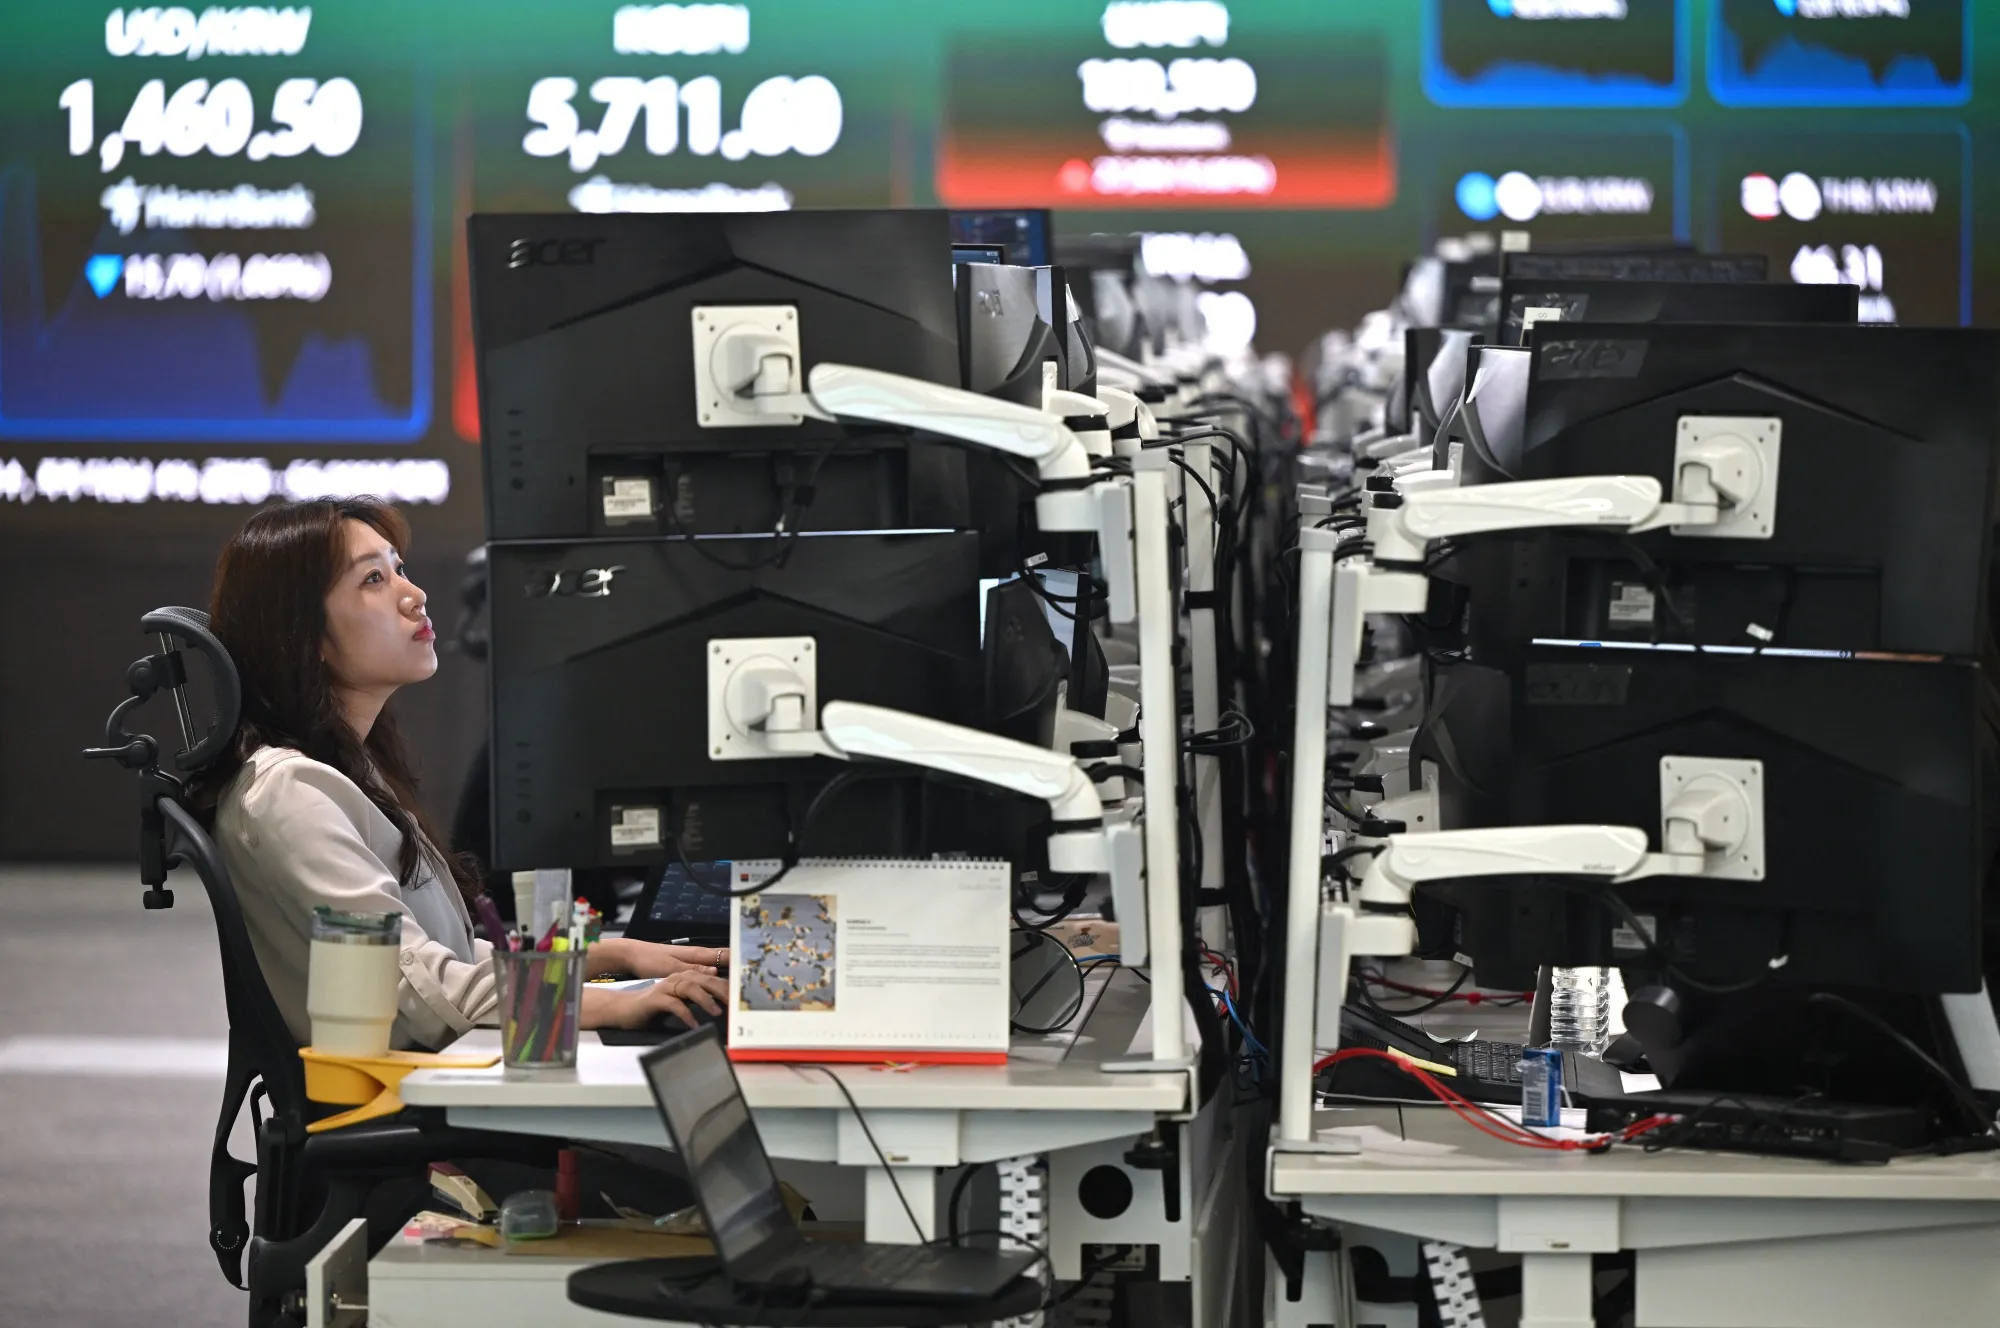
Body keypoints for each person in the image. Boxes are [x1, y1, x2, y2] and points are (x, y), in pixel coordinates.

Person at [192, 497, 729, 1050]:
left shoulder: (344, 773)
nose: (414, 594)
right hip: (403, 1101)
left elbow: (441, 957)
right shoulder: (290, 793)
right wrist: (623, 1003)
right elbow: (425, 988)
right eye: (373, 579)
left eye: (399, 568)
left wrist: (614, 957)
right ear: (302, 632)